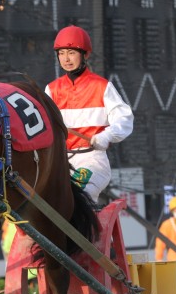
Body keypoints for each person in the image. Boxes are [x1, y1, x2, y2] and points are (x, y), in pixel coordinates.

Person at [45, 25, 134, 203]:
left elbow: (125, 119)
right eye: (61, 53)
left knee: (76, 195)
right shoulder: (51, 89)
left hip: (92, 160)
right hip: (60, 161)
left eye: (71, 52)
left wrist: (106, 136)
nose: (66, 59)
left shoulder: (102, 87)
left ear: (85, 54)